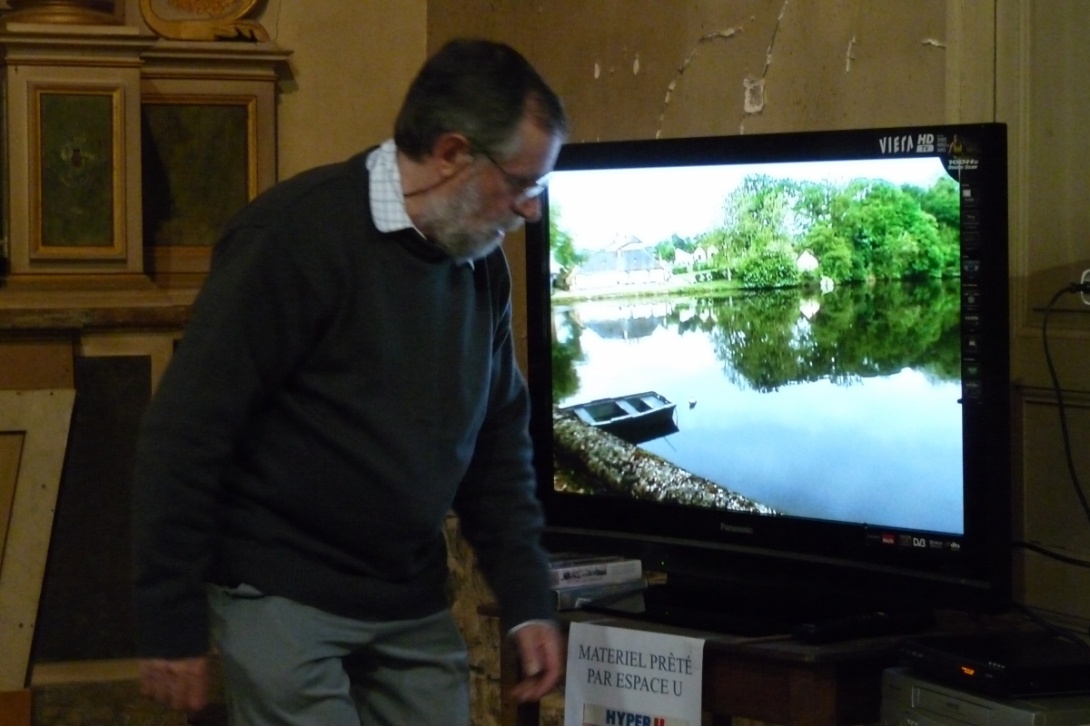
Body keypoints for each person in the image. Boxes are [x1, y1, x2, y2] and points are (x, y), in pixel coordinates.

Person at [131, 38, 569, 725]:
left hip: (407, 594)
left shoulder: (478, 265)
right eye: (522, 185)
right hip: (281, 585)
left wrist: (526, 599)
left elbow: (497, 442)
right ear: (453, 153)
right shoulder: (292, 237)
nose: (530, 211)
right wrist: (169, 621)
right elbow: (184, 435)